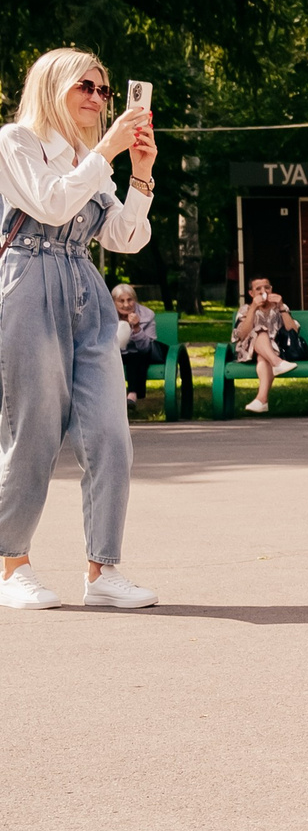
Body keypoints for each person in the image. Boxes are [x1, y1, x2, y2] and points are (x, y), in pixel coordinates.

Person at [0, 48, 159, 610]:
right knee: (33, 430)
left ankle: (103, 570)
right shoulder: (17, 141)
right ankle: (11, 565)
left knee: (110, 433)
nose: (98, 97)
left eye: (103, 90)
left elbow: (124, 238)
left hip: (84, 287)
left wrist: (141, 175)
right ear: (53, 87)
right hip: (28, 281)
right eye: (85, 87)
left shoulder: (89, 158)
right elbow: (50, 202)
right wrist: (106, 152)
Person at [228, 277, 301, 414]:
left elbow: (293, 332)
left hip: (272, 351)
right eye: (258, 289)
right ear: (251, 293)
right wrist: (253, 308)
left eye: (267, 288)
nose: (264, 291)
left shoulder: (280, 307)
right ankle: (277, 363)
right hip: (248, 351)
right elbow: (242, 335)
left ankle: (261, 400)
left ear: (271, 289)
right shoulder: (246, 309)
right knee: (260, 330)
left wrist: (281, 307)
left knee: (263, 358)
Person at [111, 282, 155, 404]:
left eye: (130, 300)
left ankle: (132, 395)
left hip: (140, 354)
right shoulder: (107, 316)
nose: (126, 305)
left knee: (135, 357)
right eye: (121, 301)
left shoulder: (147, 315)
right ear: (114, 302)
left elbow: (146, 348)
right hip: (115, 353)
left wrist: (136, 328)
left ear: (135, 300)